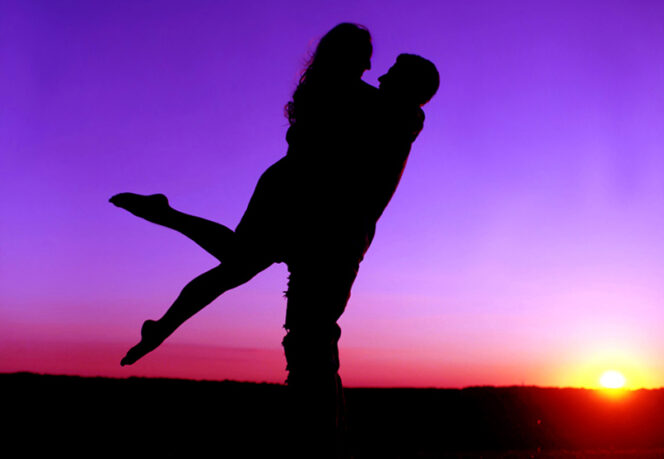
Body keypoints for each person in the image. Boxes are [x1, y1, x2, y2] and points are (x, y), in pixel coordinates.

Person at [112, 23, 439, 456]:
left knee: (244, 273)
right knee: (290, 315)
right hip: (302, 206)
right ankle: (320, 439)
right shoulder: (364, 101)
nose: (375, 71)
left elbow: (375, 120)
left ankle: (163, 284)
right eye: (367, 59)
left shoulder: (389, 111)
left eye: (388, 69)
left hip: (321, 220)